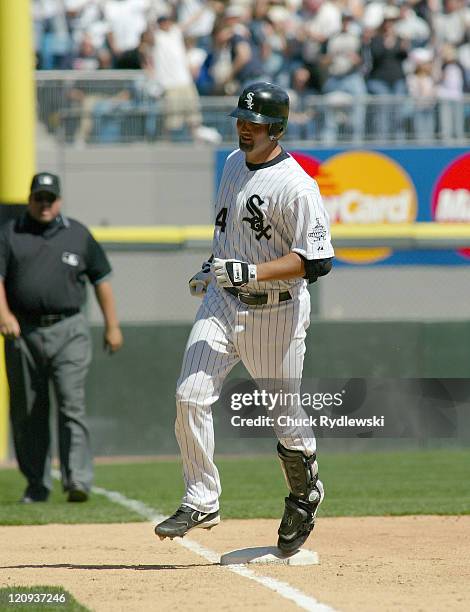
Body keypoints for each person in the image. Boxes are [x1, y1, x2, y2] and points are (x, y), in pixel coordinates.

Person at [155, 82, 334, 554]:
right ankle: (202, 499)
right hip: (223, 300)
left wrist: (251, 271)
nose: (244, 129)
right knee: (189, 395)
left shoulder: (298, 186)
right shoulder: (233, 164)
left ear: (276, 128)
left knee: (285, 417)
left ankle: (304, 493)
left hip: (276, 311)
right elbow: (228, 232)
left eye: (254, 123)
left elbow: (315, 261)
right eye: (240, 120)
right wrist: (212, 268)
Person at [0, 172, 123, 504]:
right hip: (22, 332)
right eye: (38, 197)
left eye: (49, 198)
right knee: (28, 411)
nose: (44, 204)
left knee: (71, 404)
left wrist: (112, 325)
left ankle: (77, 481)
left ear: (59, 201)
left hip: (69, 329)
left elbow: (102, 280)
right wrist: (5, 315)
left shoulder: (78, 234)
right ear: (29, 200)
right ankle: (36, 485)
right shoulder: (10, 233)